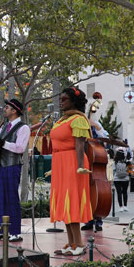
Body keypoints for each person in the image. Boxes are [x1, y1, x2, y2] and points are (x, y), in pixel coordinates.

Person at [47, 88, 93, 255]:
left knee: (72, 199)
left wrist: (80, 165)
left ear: (74, 101)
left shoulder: (78, 119)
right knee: (63, 201)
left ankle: (80, 244)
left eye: (64, 99)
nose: (61, 102)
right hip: (60, 162)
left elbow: (80, 144)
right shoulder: (62, 120)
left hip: (73, 161)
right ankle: (71, 242)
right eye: (60, 98)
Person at [0, 98, 30, 241]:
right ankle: (1, 229)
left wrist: (2, 143)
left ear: (14, 110)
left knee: (12, 198)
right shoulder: (3, 126)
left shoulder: (23, 128)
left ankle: (15, 232)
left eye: (7, 107)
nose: (4, 109)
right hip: (0, 165)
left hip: (12, 166)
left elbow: (20, 148)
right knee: (0, 198)